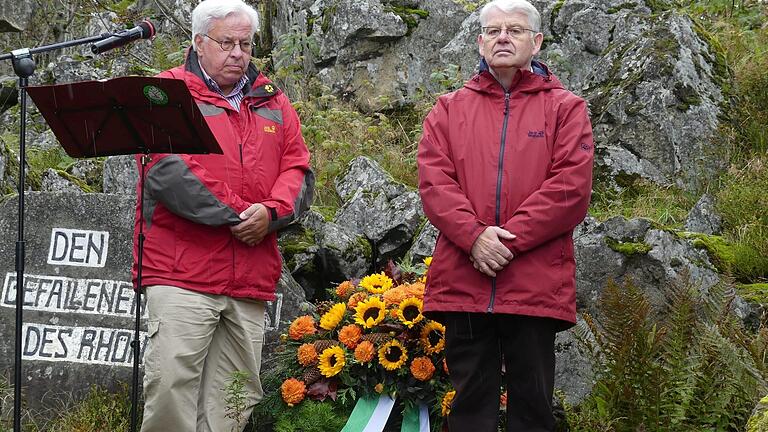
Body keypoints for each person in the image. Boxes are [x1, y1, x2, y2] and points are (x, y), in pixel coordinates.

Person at [131, 0, 313, 430]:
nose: (238, 52)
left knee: (235, 398)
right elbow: (167, 169)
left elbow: (299, 170)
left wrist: (270, 213)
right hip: (182, 276)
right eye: (227, 42)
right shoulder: (164, 92)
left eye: (246, 43)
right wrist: (239, 216)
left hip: (248, 279)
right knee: (172, 390)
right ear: (198, 41)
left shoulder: (274, 101)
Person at [417, 0, 594, 430]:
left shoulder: (566, 108)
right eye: (493, 30)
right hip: (465, 279)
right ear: (479, 41)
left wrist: (503, 240)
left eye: (514, 30)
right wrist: (475, 237)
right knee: (469, 406)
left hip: (534, 282)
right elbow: (434, 184)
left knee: (533, 408)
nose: (502, 38)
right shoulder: (448, 109)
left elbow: (570, 188)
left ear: (536, 42)